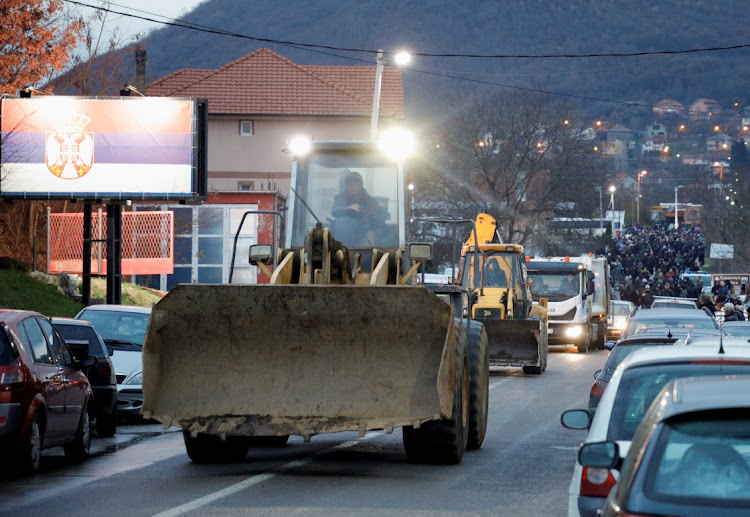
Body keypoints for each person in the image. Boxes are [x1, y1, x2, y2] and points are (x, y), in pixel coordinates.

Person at [331, 170, 380, 247]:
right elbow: (335, 211)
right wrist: (348, 208)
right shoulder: (340, 198)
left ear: (361, 184)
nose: (352, 184)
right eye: (349, 182)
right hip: (341, 240)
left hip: (363, 237)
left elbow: (375, 215)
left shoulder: (370, 201)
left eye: (355, 182)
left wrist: (360, 210)